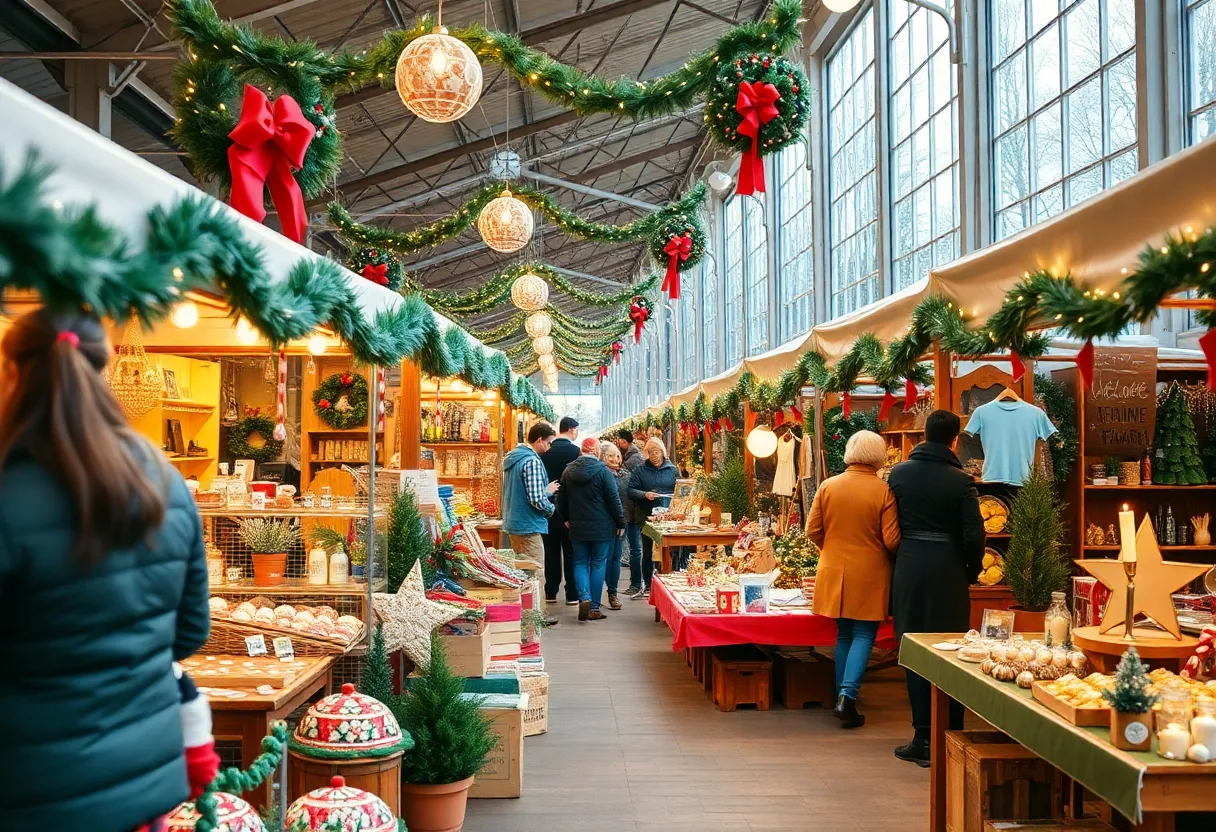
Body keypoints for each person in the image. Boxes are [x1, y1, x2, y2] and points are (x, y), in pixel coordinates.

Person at [0, 309, 211, 831]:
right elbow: (189, 631)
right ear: (107, 370)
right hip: (142, 777)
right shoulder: (164, 479)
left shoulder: (9, 490)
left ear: (11, 372)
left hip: (31, 786)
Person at [886, 410, 986, 766]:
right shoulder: (961, 481)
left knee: (913, 651)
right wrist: (971, 571)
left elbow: (888, 524)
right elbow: (975, 534)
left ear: (923, 435)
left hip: (910, 568)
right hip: (948, 571)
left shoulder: (898, 475)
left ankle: (923, 737)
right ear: (954, 440)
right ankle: (950, 734)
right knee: (951, 651)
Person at [805, 430, 901, 729]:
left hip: (832, 567)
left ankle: (840, 695)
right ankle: (847, 696)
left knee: (844, 634)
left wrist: (830, 550)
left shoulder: (828, 486)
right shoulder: (883, 490)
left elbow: (812, 530)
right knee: (864, 635)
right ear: (878, 455)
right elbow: (892, 539)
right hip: (871, 571)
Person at [556, 437, 625, 621]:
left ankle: (584, 597)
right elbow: (613, 500)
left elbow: (560, 498)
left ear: (581, 450)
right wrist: (620, 523)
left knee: (579, 563)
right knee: (598, 563)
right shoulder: (603, 471)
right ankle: (594, 607)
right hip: (602, 527)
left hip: (578, 526)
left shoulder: (568, 470)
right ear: (596, 451)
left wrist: (566, 519)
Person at [502, 421, 561, 626]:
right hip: (528, 524)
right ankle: (536, 614)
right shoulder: (532, 461)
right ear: (540, 440)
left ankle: (522, 611)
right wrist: (551, 508)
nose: (550, 447)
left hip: (513, 521)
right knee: (535, 572)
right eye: (549, 442)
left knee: (521, 570)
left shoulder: (513, 459)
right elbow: (535, 498)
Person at [626, 436, 679, 599]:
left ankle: (668, 580)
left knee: (669, 549)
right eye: (650, 452)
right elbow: (630, 490)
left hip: (668, 518)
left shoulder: (672, 470)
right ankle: (649, 583)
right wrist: (644, 494)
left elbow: (681, 489)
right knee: (647, 551)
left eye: (656, 452)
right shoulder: (640, 470)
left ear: (663, 452)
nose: (654, 456)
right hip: (647, 517)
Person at [542, 416, 580, 606]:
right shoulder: (576, 452)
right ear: (572, 430)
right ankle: (572, 594)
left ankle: (550, 591)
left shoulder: (545, 454)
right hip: (571, 511)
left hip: (548, 509)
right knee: (571, 551)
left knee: (551, 551)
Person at [614, 429, 646, 596]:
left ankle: (636, 584)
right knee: (634, 548)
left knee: (635, 548)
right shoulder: (631, 458)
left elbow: (630, 488)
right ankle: (637, 584)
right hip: (630, 511)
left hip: (632, 511)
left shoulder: (633, 460)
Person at [601, 443, 631, 610]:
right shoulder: (600, 474)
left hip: (621, 521)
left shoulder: (625, 475)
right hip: (605, 522)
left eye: (617, 456)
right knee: (603, 558)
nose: (615, 459)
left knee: (615, 558)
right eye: (610, 456)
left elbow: (627, 498)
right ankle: (598, 593)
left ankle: (613, 592)